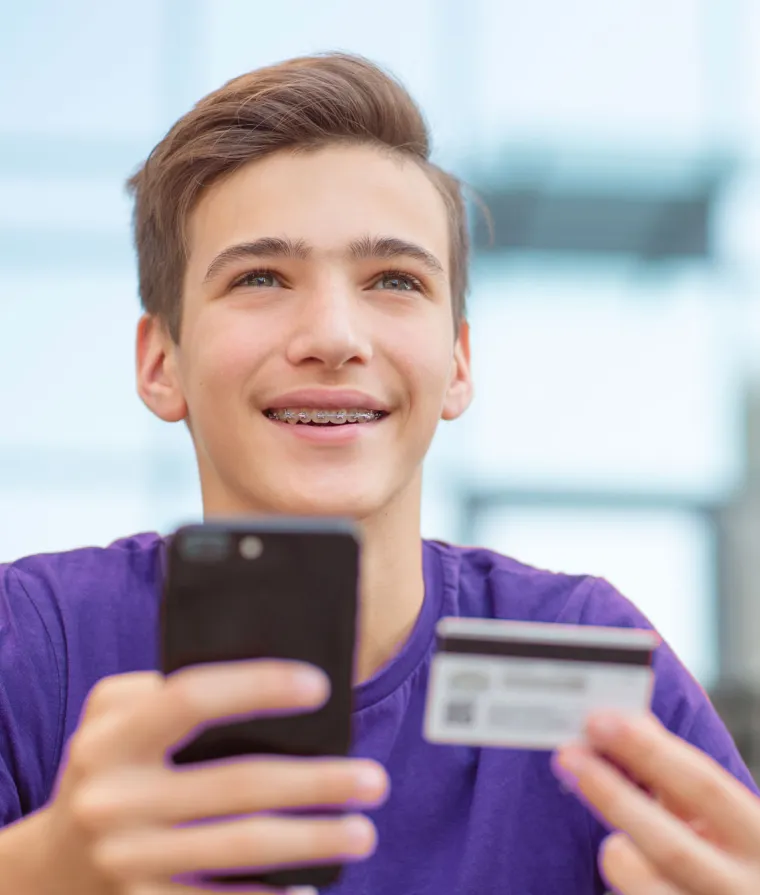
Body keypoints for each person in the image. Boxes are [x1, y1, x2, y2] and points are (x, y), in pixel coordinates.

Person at [0, 52, 757, 895]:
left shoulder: (588, 653)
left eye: (394, 280)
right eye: (260, 277)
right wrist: (37, 872)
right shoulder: (32, 644)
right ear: (160, 362)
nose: (333, 334)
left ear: (459, 364)